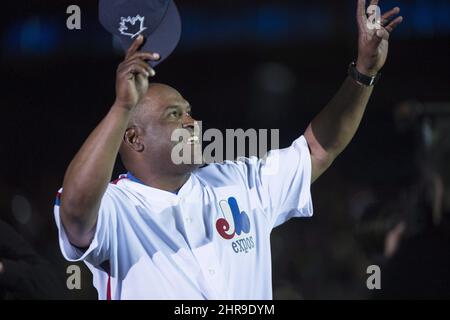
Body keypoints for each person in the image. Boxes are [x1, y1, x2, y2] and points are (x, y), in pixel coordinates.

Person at [54, 0, 403, 299]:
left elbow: (317, 150)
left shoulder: (237, 179)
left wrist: (364, 72)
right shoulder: (117, 207)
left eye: (189, 112)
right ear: (133, 138)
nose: (192, 122)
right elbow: (75, 208)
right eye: (175, 115)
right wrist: (121, 108)